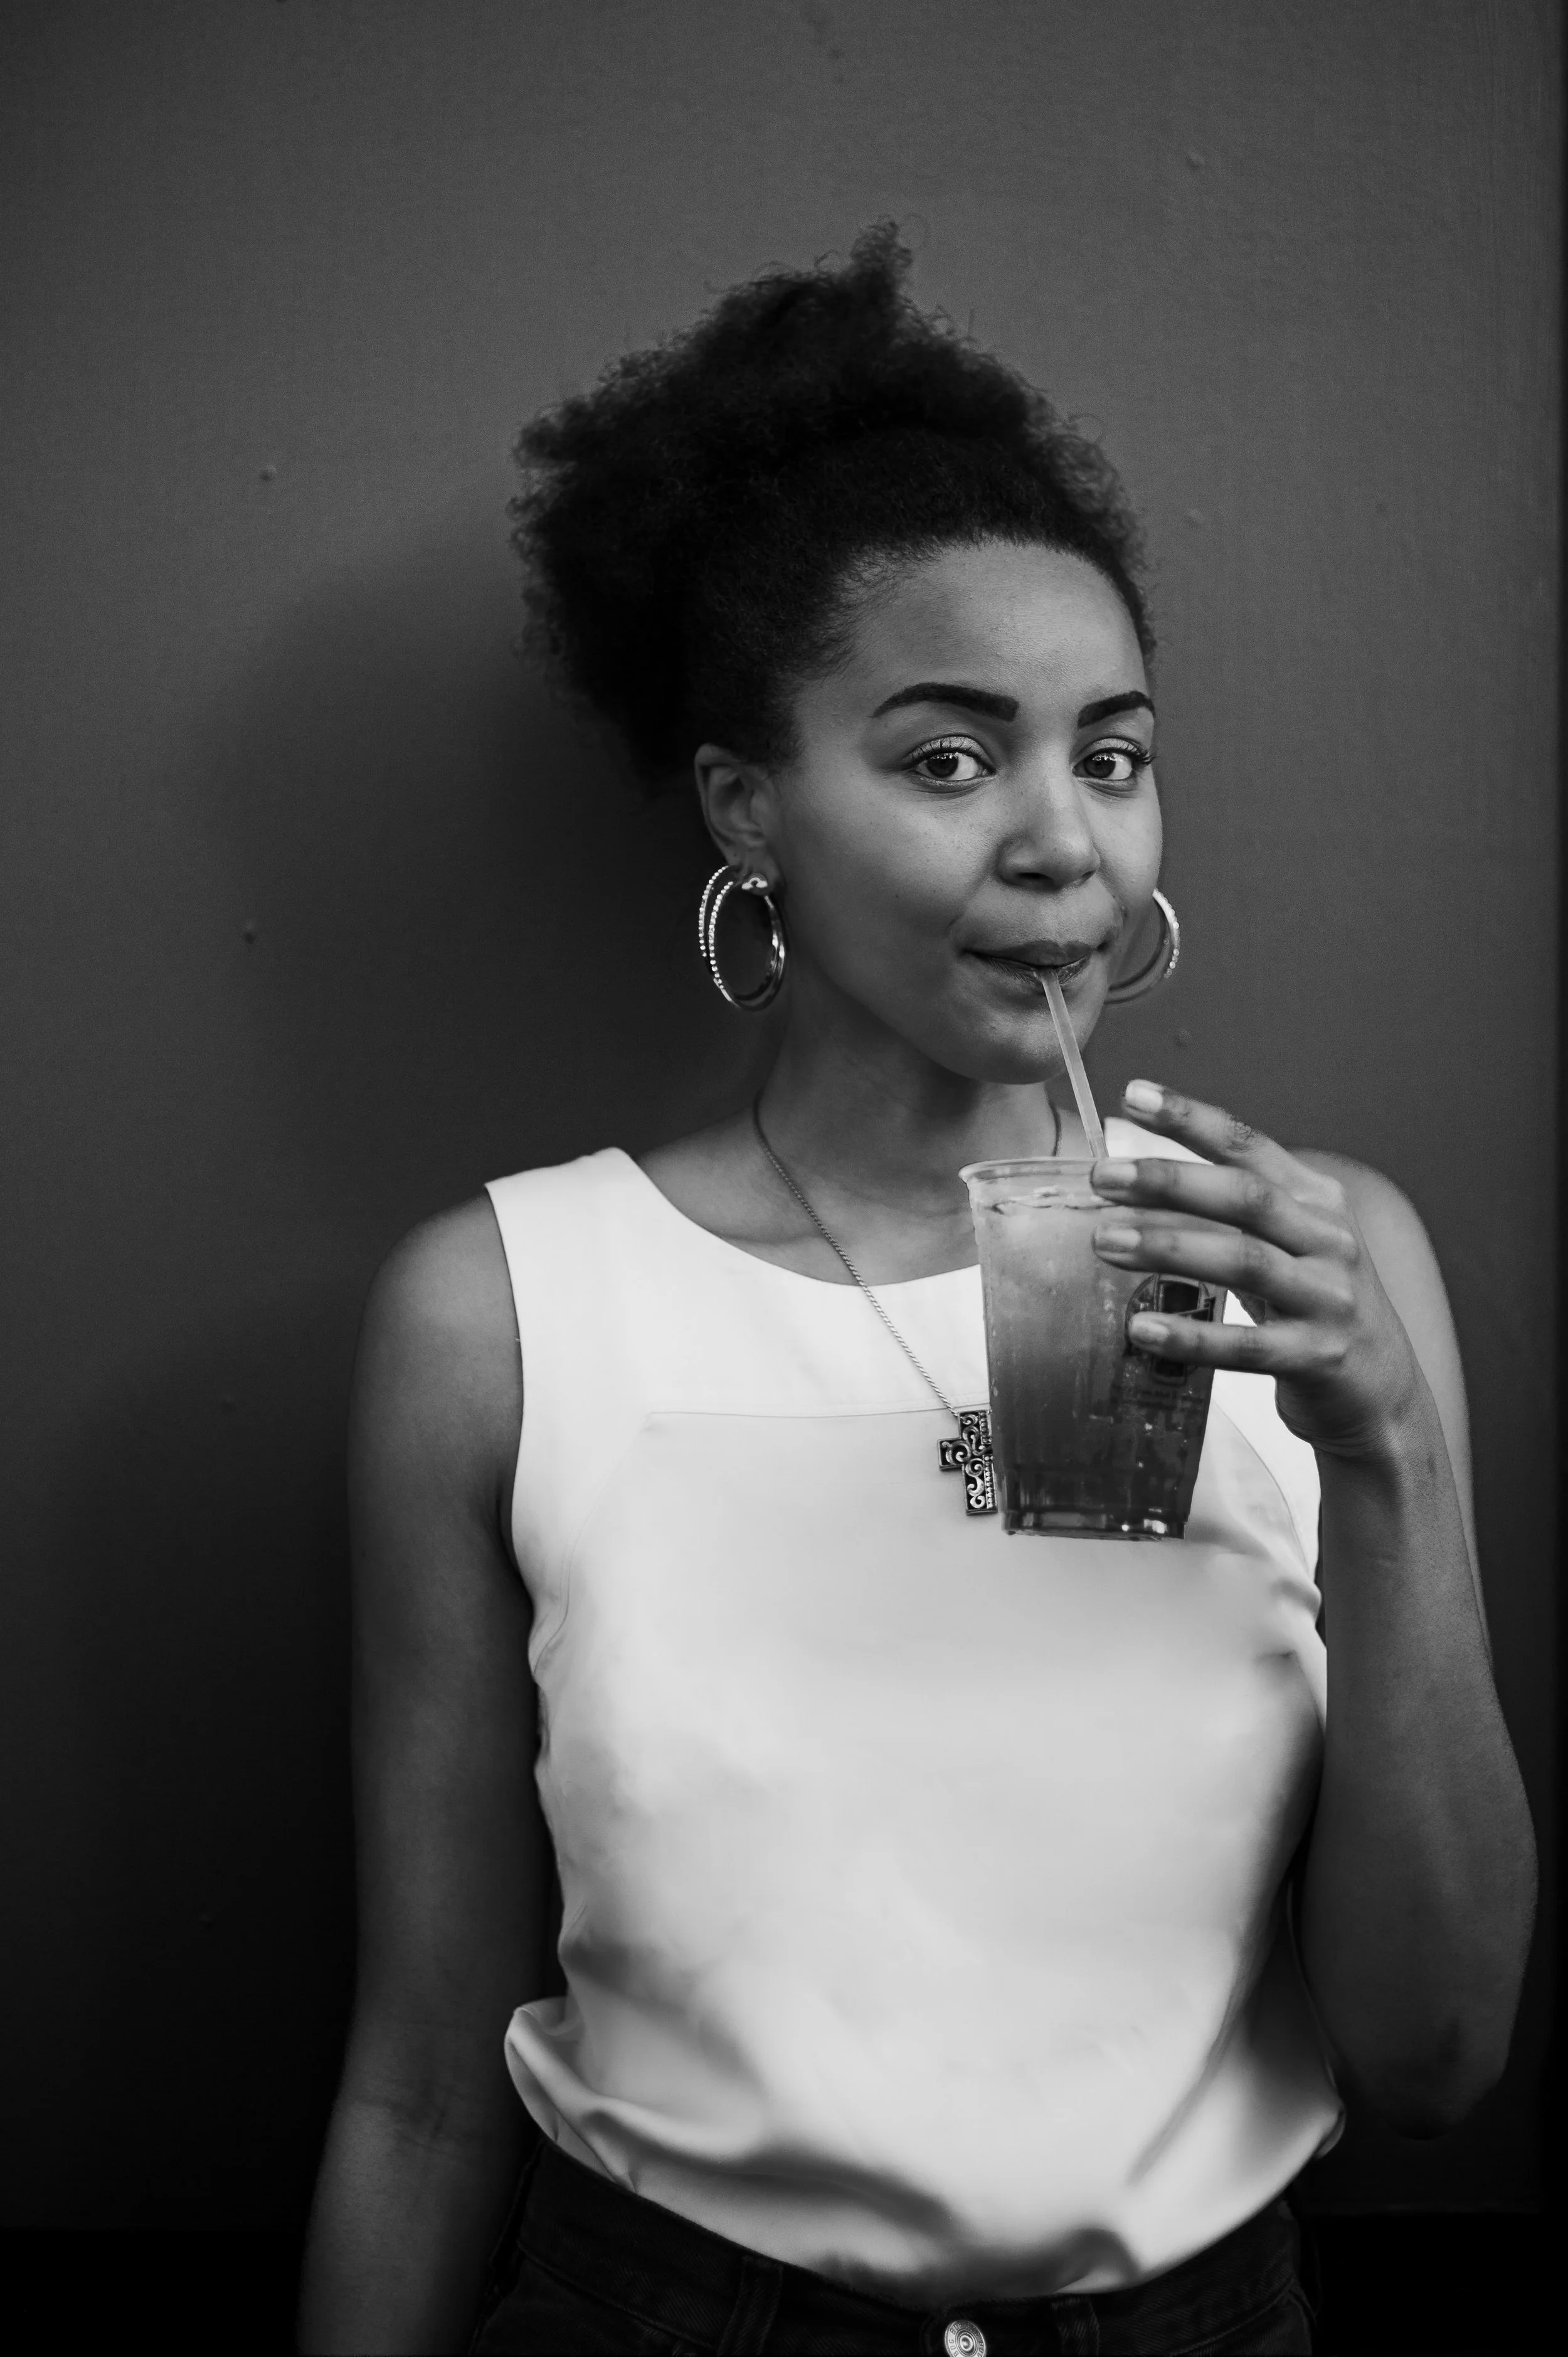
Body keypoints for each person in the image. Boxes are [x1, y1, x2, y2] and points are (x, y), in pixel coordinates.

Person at [297, 230, 1535, 2356]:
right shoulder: (500, 1317)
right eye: (949, 759)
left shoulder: (1321, 1266)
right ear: (747, 805)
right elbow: (419, 2085)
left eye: (1111, 755)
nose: (1064, 843)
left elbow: (1434, 2058)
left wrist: (1385, 1448)